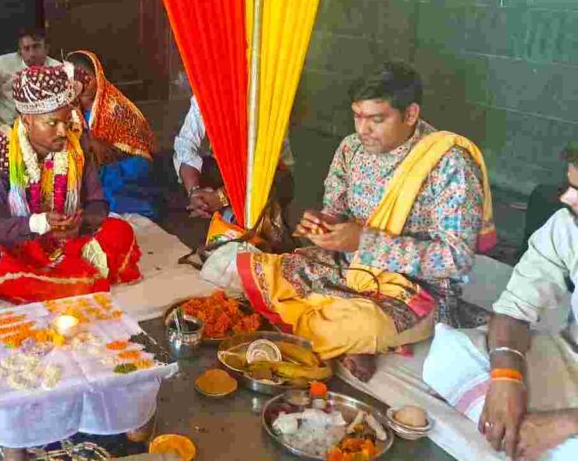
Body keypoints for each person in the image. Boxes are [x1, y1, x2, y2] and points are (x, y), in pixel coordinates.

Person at [218, 62, 495, 381]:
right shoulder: (351, 149)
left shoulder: (449, 163)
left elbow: (455, 260)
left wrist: (365, 242)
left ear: (410, 114)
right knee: (244, 268)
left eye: (377, 119)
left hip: (415, 289)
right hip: (346, 267)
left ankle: (348, 335)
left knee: (361, 324)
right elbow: (336, 210)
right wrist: (323, 224)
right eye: (357, 116)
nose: (363, 129)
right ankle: (345, 338)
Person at [423, 147, 578, 461]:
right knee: (447, 353)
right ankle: (524, 433)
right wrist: (506, 378)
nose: (567, 199)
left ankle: (540, 438)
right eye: (572, 187)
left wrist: (566, 423)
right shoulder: (568, 225)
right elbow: (513, 309)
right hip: (571, 360)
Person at [0, 65, 142, 303]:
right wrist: (39, 223)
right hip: (20, 243)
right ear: (27, 120)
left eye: (65, 121)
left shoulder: (77, 142)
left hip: (68, 240)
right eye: (52, 123)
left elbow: (97, 203)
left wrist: (79, 221)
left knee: (121, 231)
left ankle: (30, 280)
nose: (63, 131)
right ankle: (51, 276)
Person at [66, 50, 160, 219]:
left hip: (127, 163)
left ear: (98, 75)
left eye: (86, 76)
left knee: (109, 183)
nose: (82, 82)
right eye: (76, 77)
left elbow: (140, 149)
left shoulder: (115, 107)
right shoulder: (70, 107)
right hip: (92, 165)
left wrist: (100, 148)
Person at [173, 94, 295, 221]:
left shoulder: (266, 91)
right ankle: (216, 212)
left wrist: (221, 197)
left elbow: (263, 165)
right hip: (225, 171)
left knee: (275, 185)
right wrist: (194, 191)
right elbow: (186, 143)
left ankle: (233, 220)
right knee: (172, 175)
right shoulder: (209, 87)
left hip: (269, 175)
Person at [0, 28, 61, 138]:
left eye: (36, 47)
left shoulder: (57, 71)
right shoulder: (5, 65)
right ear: (20, 52)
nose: (32, 54)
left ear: (46, 48)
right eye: (26, 49)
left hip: (38, 131)